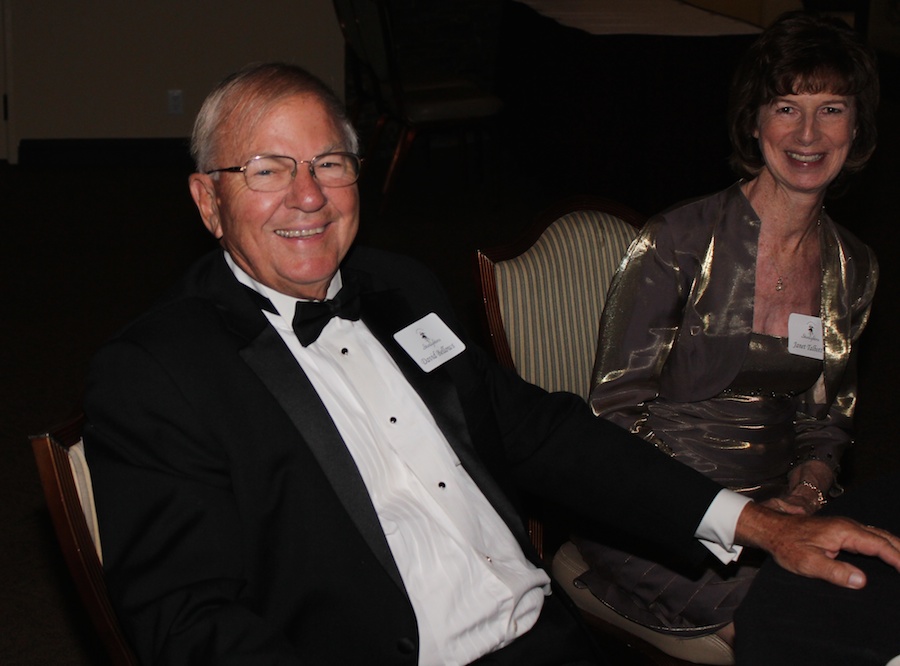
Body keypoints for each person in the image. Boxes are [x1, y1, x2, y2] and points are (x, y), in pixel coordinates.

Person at [82, 62, 899, 666]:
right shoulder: (157, 371)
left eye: (329, 163)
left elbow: (546, 435)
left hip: (546, 640)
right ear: (206, 200)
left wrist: (757, 523)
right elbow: (185, 623)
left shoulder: (399, 288)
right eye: (267, 170)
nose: (308, 196)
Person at [576, 11, 881, 647]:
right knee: (795, 621)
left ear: (856, 127)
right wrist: (738, 519)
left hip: (782, 504)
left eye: (831, 109)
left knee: (875, 592)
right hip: (658, 507)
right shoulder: (676, 243)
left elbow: (826, 423)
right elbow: (611, 413)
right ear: (754, 121)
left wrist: (804, 495)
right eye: (786, 106)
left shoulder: (852, 266)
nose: (807, 133)